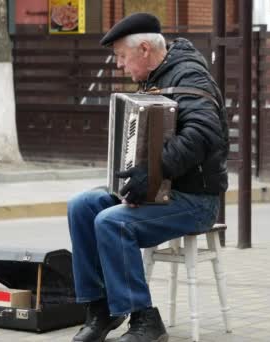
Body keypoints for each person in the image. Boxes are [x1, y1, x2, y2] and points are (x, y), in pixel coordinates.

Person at [67, 13, 229, 342]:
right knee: (83, 206)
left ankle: (146, 321)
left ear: (144, 49)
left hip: (195, 200)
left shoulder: (190, 76)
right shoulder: (156, 77)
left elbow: (204, 134)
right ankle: (102, 311)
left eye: (122, 57)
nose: (119, 66)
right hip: (160, 191)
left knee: (113, 222)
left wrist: (154, 173)